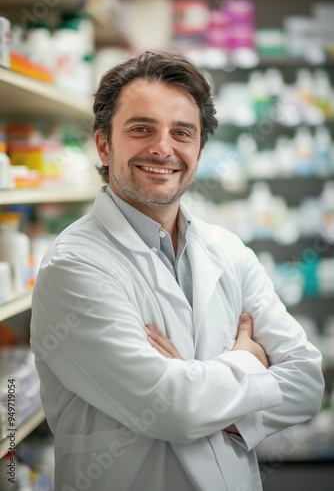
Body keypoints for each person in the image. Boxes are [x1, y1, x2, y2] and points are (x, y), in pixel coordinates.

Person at [30, 50, 324, 491]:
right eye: (141, 128)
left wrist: (195, 383)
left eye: (182, 132)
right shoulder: (74, 266)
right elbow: (173, 408)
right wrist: (249, 360)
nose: (163, 148)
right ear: (104, 145)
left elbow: (306, 382)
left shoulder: (228, 251)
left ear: (200, 150)